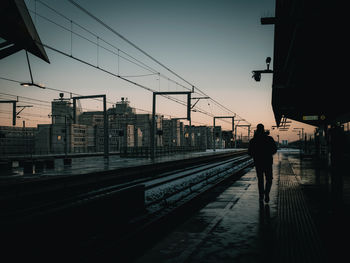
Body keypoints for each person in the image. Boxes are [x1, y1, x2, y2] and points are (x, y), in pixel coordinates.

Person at [248, 123, 277, 203]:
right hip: (267, 162)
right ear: (263, 129)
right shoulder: (269, 139)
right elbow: (274, 149)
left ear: (257, 130)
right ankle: (267, 193)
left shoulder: (253, 140)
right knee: (269, 179)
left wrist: (256, 154)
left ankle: (261, 195)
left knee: (260, 180)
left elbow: (249, 152)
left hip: (258, 163)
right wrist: (268, 153)